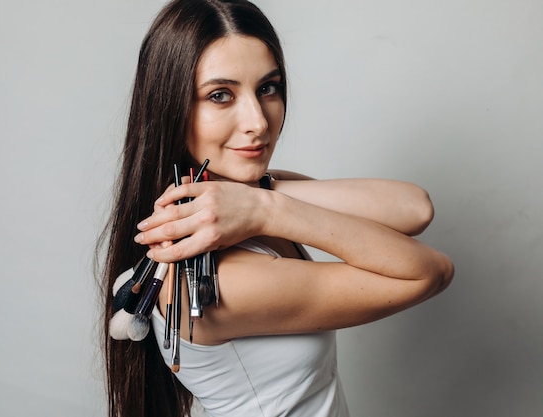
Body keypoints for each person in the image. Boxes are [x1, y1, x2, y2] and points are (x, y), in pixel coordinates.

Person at [97, 0, 455, 416]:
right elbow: (432, 272)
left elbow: (415, 208)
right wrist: (269, 212)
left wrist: (262, 202)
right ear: (170, 108)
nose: (259, 121)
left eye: (267, 87)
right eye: (220, 95)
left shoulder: (257, 193)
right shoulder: (221, 281)